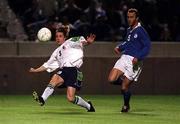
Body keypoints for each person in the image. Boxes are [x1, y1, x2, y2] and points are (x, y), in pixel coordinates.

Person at [29, 25, 96, 112]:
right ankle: (42, 99)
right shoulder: (56, 52)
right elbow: (47, 65)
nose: (58, 38)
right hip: (64, 71)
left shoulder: (70, 41)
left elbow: (83, 42)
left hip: (74, 71)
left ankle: (88, 106)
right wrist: (35, 70)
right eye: (56, 36)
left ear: (65, 37)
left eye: (60, 36)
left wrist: (88, 42)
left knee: (70, 98)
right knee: (54, 78)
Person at [108, 8, 151, 112]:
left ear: (137, 18)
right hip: (125, 57)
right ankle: (125, 85)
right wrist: (120, 47)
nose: (129, 19)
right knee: (111, 79)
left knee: (123, 88)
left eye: (132, 17)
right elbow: (128, 42)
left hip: (134, 62)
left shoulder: (141, 30)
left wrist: (139, 57)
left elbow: (147, 46)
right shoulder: (129, 30)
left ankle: (126, 105)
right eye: (128, 17)